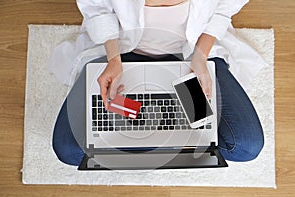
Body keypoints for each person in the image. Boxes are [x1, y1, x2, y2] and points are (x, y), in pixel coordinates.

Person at [51, 0, 264, 166]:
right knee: (69, 150)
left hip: (190, 56)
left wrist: (200, 57)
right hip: (123, 53)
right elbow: (98, 8)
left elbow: (223, 9)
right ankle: (156, 146)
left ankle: (159, 146)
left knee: (246, 146)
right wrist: (113, 59)